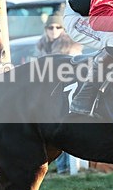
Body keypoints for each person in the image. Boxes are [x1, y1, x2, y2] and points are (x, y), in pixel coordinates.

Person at [33, 14, 83, 174]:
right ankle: (61, 168)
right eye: (50, 27)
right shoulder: (41, 45)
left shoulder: (70, 45)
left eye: (58, 27)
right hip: (48, 93)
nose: (54, 30)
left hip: (69, 91)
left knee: (66, 129)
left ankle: (70, 168)